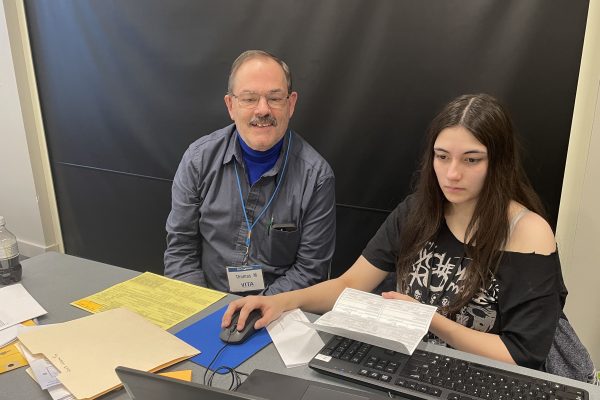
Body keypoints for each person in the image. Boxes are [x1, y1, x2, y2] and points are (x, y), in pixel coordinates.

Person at [223, 93, 566, 370]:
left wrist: (427, 319)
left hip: (482, 375)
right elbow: (349, 285)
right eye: (442, 157)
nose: (452, 174)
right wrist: (279, 302)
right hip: (408, 364)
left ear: (499, 162)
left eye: (471, 160)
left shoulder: (529, 233)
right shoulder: (418, 210)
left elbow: (522, 355)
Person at [164, 50, 336, 295]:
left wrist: (259, 309)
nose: (263, 110)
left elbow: (310, 270)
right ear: (231, 105)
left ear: (291, 104)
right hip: (204, 302)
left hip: (278, 314)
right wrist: (202, 309)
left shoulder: (317, 178)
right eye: (249, 98)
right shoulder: (198, 160)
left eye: (275, 98)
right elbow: (180, 250)